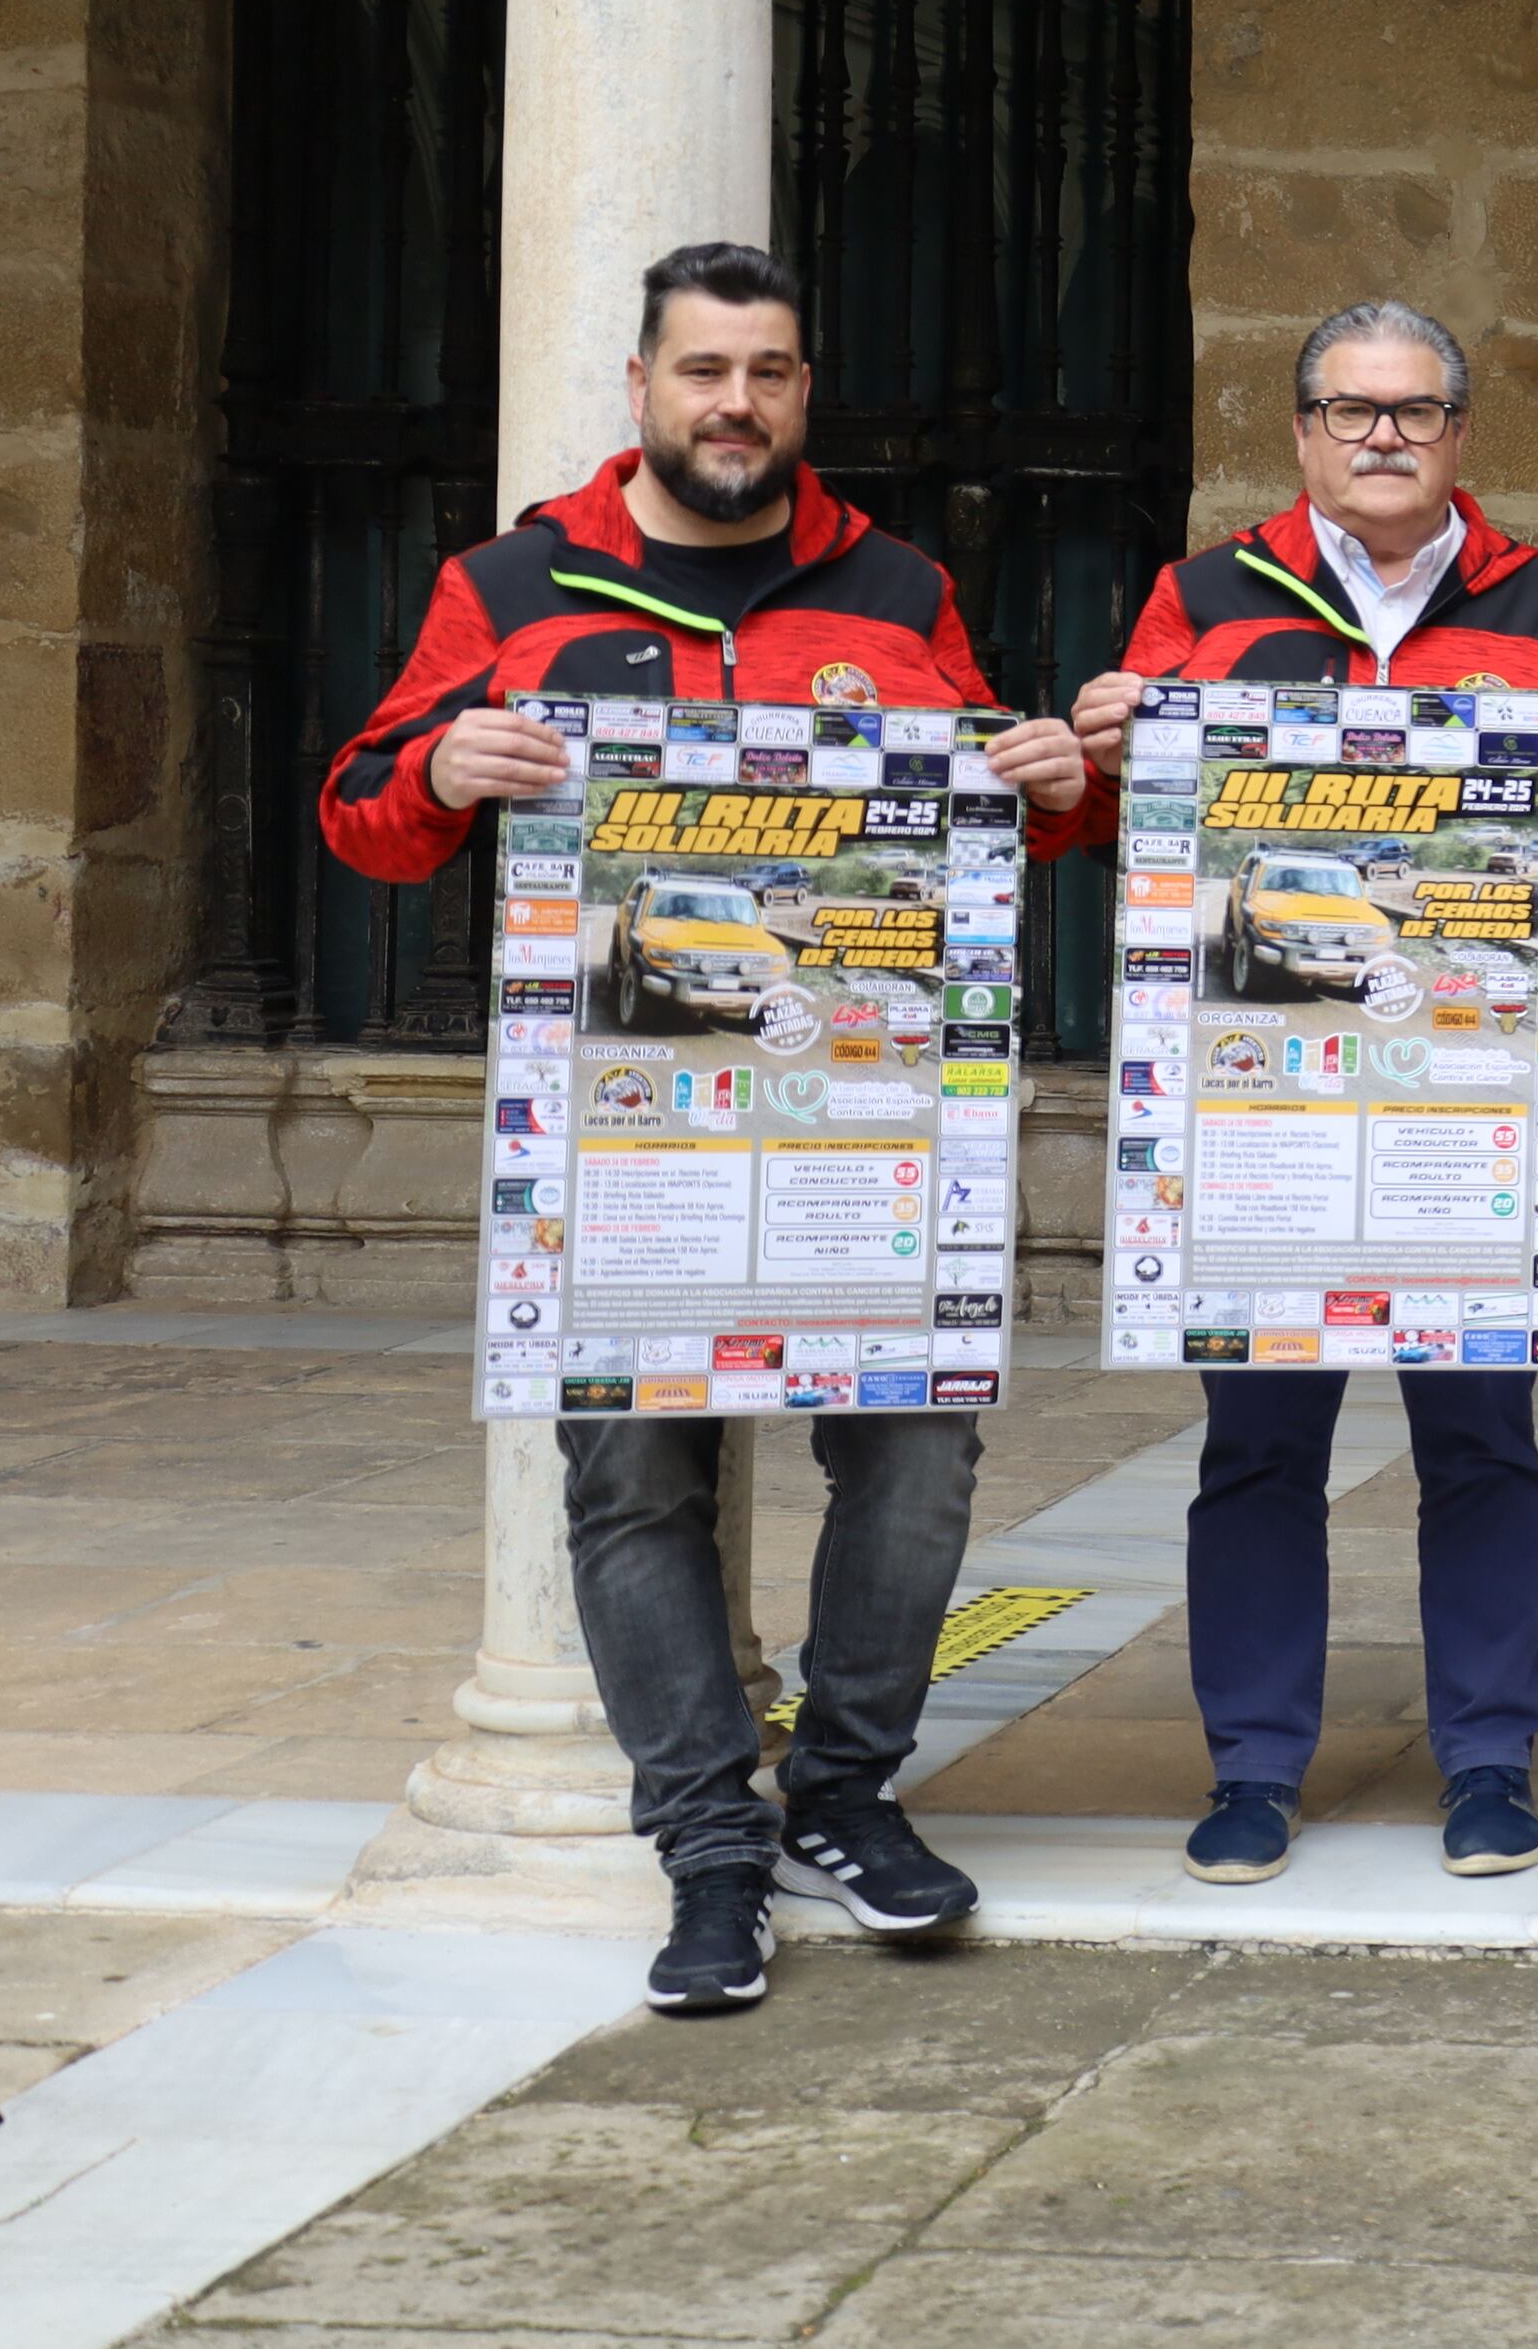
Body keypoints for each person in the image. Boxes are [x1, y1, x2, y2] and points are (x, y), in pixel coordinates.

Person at [322, 242, 1094, 2016]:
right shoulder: (511, 585)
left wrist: (1058, 787)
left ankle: (842, 1793)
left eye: (767, 371)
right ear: (643, 387)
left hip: (862, 1124)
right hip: (627, 1135)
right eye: (701, 370)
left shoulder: (900, 587)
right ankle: (708, 1845)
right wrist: (438, 772)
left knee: (918, 1448)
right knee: (633, 1474)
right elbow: (362, 807)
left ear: (805, 392)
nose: (733, 402)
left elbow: (995, 808)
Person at [1063, 300, 1538, 1892]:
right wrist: (1103, 745)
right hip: (1259, 1105)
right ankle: (1254, 1768)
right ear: (1303, 432)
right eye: (1352, 410)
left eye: (1414, 412)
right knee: (1258, 1443)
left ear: (1461, 435)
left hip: (1463, 1106)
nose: (1383, 435)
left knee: (1484, 1439)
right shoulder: (1202, 604)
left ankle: (1488, 1759)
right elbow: (1109, 828)